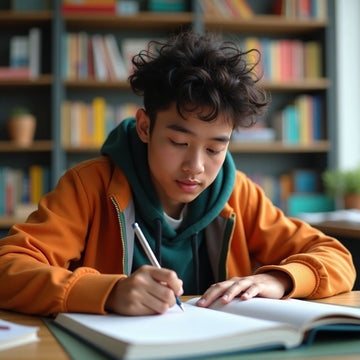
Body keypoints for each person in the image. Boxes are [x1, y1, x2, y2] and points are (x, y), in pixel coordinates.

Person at [0, 30, 355, 317]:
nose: (196, 167)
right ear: (144, 126)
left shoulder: (239, 194)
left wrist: (278, 280)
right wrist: (108, 293)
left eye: (215, 148)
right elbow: (8, 269)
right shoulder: (90, 186)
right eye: (177, 141)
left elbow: (336, 257)